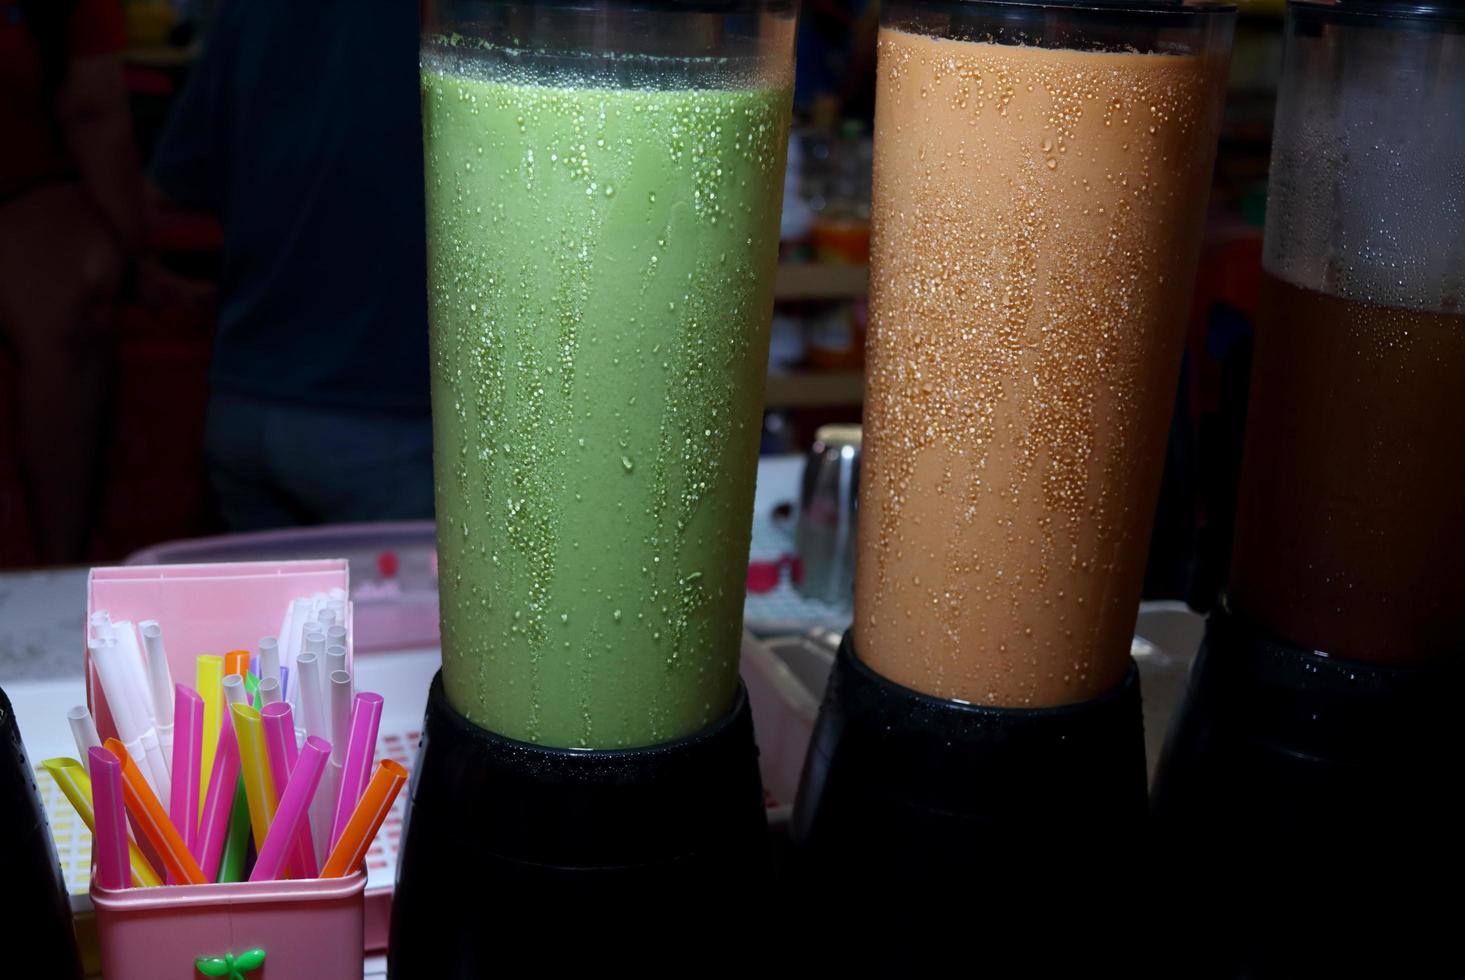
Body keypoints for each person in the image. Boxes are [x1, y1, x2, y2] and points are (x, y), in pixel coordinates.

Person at [150, 0, 433, 531]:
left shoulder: (249, 11)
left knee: (267, 616)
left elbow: (174, 185)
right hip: (384, 420)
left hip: (243, 407)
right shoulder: (452, 16)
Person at [0, 0, 146, 562]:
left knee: (73, 288)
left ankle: (60, 571)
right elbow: (95, 109)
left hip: (33, 188)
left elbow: (93, 109)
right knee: (68, 301)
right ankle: (61, 569)